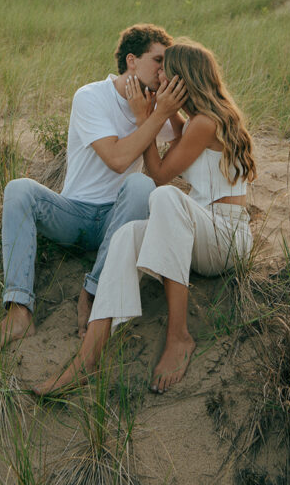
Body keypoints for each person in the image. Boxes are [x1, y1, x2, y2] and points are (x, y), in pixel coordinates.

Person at [33, 38, 257, 395]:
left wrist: (144, 118)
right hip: (202, 232)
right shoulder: (194, 121)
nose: (159, 77)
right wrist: (159, 115)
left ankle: (179, 336)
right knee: (126, 236)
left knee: (166, 197)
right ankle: (87, 358)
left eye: (166, 72)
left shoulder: (206, 123)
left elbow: (159, 175)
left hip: (226, 238)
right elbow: (169, 148)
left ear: (183, 79)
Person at [0, 24, 187, 361]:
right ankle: (18, 311)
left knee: (141, 185)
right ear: (132, 60)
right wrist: (156, 117)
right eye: (158, 60)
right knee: (18, 189)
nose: (164, 70)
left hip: (120, 220)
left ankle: (93, 292)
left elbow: (184, 148)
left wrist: (166, 113)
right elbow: (116, 159)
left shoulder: (154, 107)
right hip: (76, 215)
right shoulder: (90, 96)